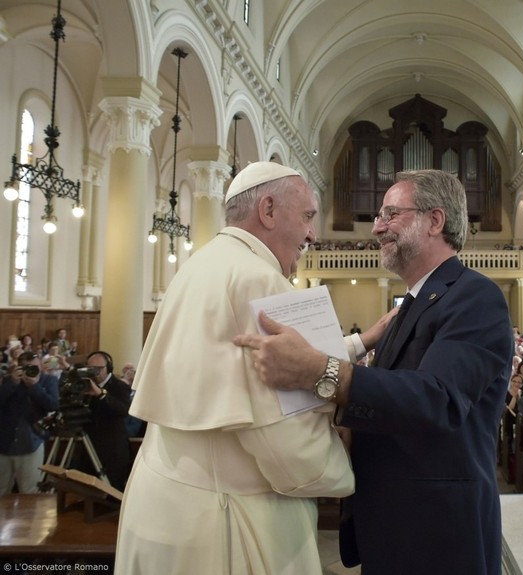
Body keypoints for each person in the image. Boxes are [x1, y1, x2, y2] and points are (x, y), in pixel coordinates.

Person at [235, 169, 513, 574]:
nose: (377, 227)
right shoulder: (409, 309)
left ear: (435, 221)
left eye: (390, 214)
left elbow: (438, 398)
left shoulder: (474, 296)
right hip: (396, 524)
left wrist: (323, 371)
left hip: (439, 533)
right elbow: (388, 408)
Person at [115, 162, 377, 575]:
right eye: (307, 216)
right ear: (268, 210)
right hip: (224, 524)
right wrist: (353, 473)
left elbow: (228, 370)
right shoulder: (259, 279)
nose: (312, 233)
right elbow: (284, 439)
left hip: (164, 505)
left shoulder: (202, 264)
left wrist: (360, 342)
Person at [72, 351, 133, 491]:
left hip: (112, 451)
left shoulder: (120, 386)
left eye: (99, 369)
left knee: (111, 492)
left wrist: (101, 394)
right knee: (88, 490)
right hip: (88, 445)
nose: (95, 373)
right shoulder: (84, 385)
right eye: (91, 369)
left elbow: (123, 411)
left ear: (109, 368)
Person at [0, 352, 59, 494]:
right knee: (1, 490)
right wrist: (12, 383)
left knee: (30, 491)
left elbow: (52, 405)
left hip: (32, 442)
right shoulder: (10, 380)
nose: (32, 371)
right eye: (27, 367)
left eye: (35, 367)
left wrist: (34, 386)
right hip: (4, 444)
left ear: (40, 366)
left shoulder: (48, 380)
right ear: (20, 367)